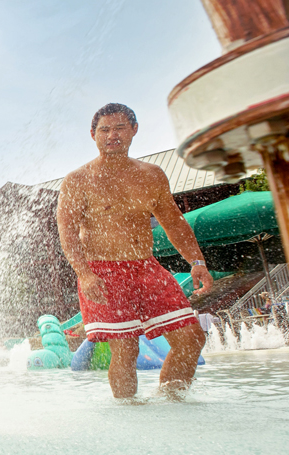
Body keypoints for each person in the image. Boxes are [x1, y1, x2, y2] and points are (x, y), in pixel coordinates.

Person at [56, 103, 213, 399]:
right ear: (93, 134)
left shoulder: (152, 175)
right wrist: (84, 274)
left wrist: (196, 261)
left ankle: (171, 402)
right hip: (101, 271)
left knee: (191, 338)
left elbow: (174, 223)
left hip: (146, 267)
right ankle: (130, 414)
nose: (112, 135)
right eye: (104, 129)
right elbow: (67, 232)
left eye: (119, 128)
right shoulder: (78, 179)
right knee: (126, 348)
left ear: (134, 130)